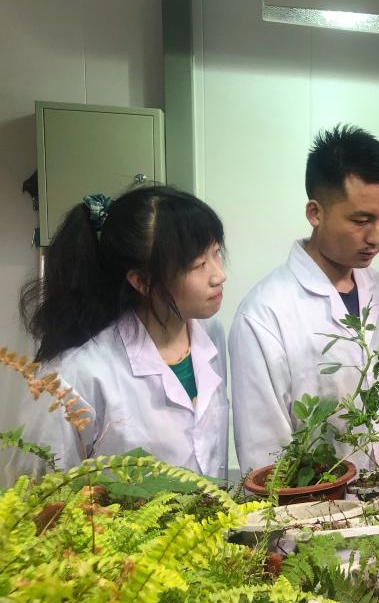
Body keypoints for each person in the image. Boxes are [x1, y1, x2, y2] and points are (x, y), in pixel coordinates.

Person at [15, 187, 229, 477]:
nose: (219, 275)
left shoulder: (210, 333)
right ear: (142, 281)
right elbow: (37, 488)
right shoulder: (77, 373)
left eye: (216, 252)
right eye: (198, 264)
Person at [229, 124, 379, 473]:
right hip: (314, 505)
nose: (376, 237)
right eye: (361, 220)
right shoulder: (265, 313)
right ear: (315, 213)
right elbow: (265, 454)